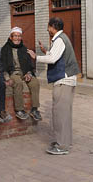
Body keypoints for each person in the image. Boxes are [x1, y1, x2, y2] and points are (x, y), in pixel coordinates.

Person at [28, 17, 80, 155]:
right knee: (64, 114)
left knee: (60, 114)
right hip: (67, 80)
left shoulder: (60, 39)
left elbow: (53, 59)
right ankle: (64, 141)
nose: (47, 29)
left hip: (63, 81)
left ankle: (62, 146)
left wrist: (36, 57)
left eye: (48, 27)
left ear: (52, 27)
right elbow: (55, 56)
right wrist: (45, 51)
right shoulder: (61, 39)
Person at [1, 27, 42, 121]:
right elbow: (2, 65)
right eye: (15, 36)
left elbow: (29, 64)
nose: (17, 38)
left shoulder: (24, 48)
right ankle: (19, 110)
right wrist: (7, 78)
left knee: (35, 83)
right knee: (18, 82)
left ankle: (35, 109)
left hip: (24, 73)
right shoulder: (5, 49)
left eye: (19, 36)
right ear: (11, 37)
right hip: (13, 73)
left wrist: (29, 74)